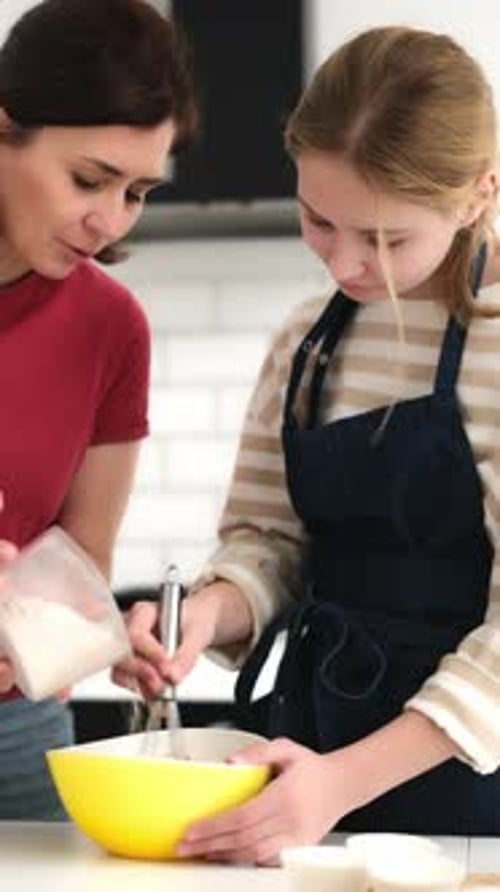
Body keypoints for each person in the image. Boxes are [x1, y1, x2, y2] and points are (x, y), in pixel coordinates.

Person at [117, 25, 500, 862]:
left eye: (388, 239)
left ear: (478, 193)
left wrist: (341, 782)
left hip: (470, 783)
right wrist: (205, 616)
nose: (348, 265)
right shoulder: (308, 342)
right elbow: (269, 542)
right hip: (308, 755)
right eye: (319, 220)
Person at [0, 0, 195, 819]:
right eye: (89, 179)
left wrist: (106, 636)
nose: (108, 219)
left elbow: (77, 566)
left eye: (137, 192)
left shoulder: (112, 328)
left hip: (17, 735)